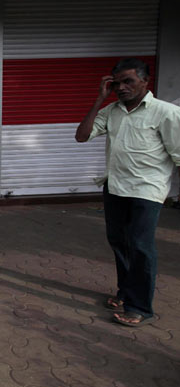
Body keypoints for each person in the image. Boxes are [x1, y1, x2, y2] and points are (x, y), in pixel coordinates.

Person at [75, 58, 180, 327]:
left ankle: (141, 307)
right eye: (117, 82)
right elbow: (82, 136)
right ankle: (125, 293)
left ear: (145, 81)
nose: (121, 87)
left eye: (128, 81)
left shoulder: (166, 113)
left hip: (147, 189)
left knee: (141, 246)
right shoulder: (112, 112)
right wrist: (99, 99)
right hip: (116, 186)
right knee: (119, 242)